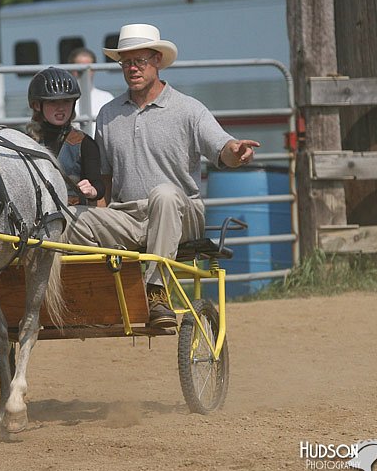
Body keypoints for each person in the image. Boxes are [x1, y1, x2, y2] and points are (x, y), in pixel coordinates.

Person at [65, 24, 260, 334]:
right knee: (70, 219)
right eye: (125, 62)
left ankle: (156, 293)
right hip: (128, 216)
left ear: (156, 60)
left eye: (139, 61)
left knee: (165, 194)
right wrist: (98, 213)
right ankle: (83, 296)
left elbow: (222, 147)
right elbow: (104, 177)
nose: (132, 68)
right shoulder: (108, 114)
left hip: (181, 214)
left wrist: (235, 151)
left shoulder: (188, 109)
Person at [26, 66, 105, 206]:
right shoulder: (25, 143)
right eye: (53, 101)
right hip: (36, 216)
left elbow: (99, 185)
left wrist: (92, 190)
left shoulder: (85, 143)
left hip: (73, 214)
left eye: (66, 101)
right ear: (37, 105)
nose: (61, 107)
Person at [67, 47, 114, 135]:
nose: (84, 72)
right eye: (79, 68)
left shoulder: (107, 98)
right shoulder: (64, 100)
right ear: (71, 69)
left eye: (89, 68)